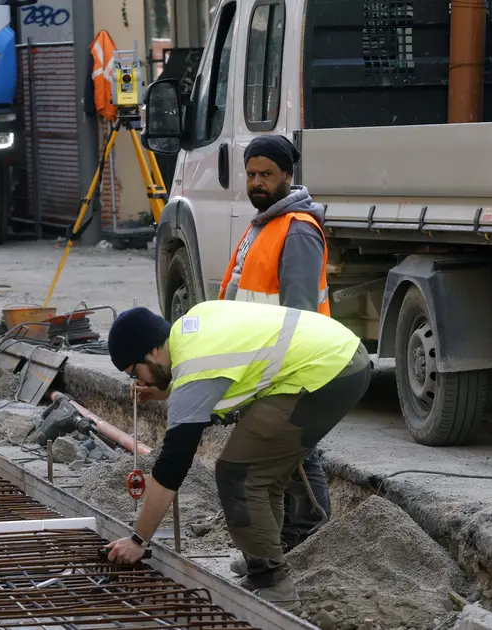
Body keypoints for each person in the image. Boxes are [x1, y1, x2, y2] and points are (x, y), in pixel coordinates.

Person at [103, 302, 371, 606]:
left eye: (134, 372)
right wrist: (165, 391)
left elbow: (172, 466)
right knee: (260, 474)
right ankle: (265, 556)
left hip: (328, 372)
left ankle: (274, 584)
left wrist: (138, 539)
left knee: (237, 474)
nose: (140, 383)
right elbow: (219, 367)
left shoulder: (196, 370)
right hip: (340, 356)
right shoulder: (193, 326)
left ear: (151, 352)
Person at [219, 135, 332, 562]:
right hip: (260, 365)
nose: (257, 183)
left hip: (288, 368)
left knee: (298, 456)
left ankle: (310, 538)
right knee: (288, 458)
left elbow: (299, 314)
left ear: (288, 175)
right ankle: (292, 538)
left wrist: (280, 374)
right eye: (251, 175)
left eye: (266, 174)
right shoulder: (263, 224)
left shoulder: (298, 230)